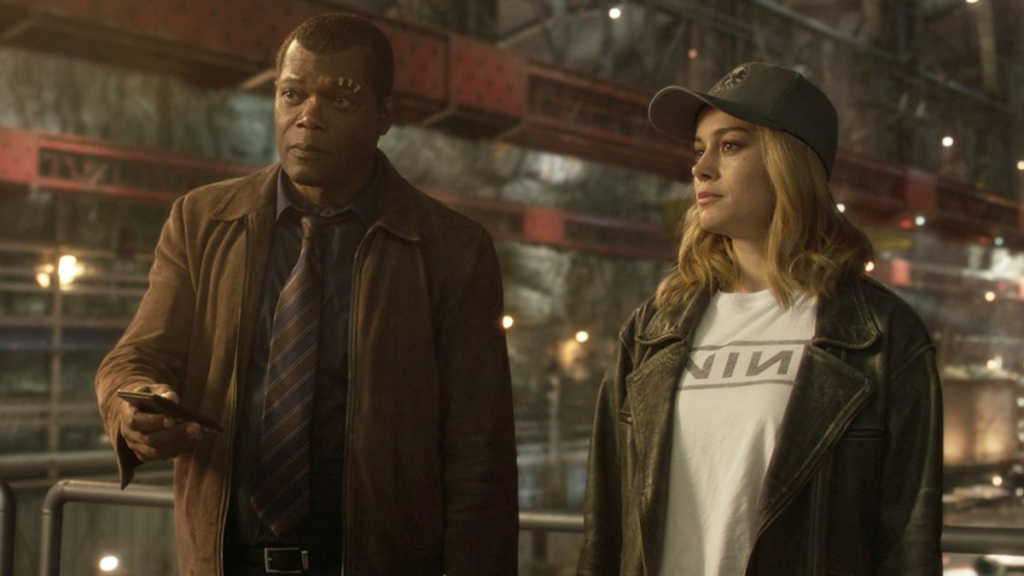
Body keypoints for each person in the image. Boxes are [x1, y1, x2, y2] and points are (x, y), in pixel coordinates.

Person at [95, 13, 519, 576]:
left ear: (384, 115)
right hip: (225, 562)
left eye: (339, 100)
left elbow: (479, 458)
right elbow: (137, 357)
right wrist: (134, 406)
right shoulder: (203, 221)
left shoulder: (451, 250)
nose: (308, 118)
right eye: (292, 95)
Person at [577, 62, 942, 575]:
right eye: (698, 150)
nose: (702, 169)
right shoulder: (652, 330)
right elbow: (605, 527)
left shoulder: (880, 334)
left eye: (730, 145)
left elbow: (908, 543)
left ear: (789, 163)